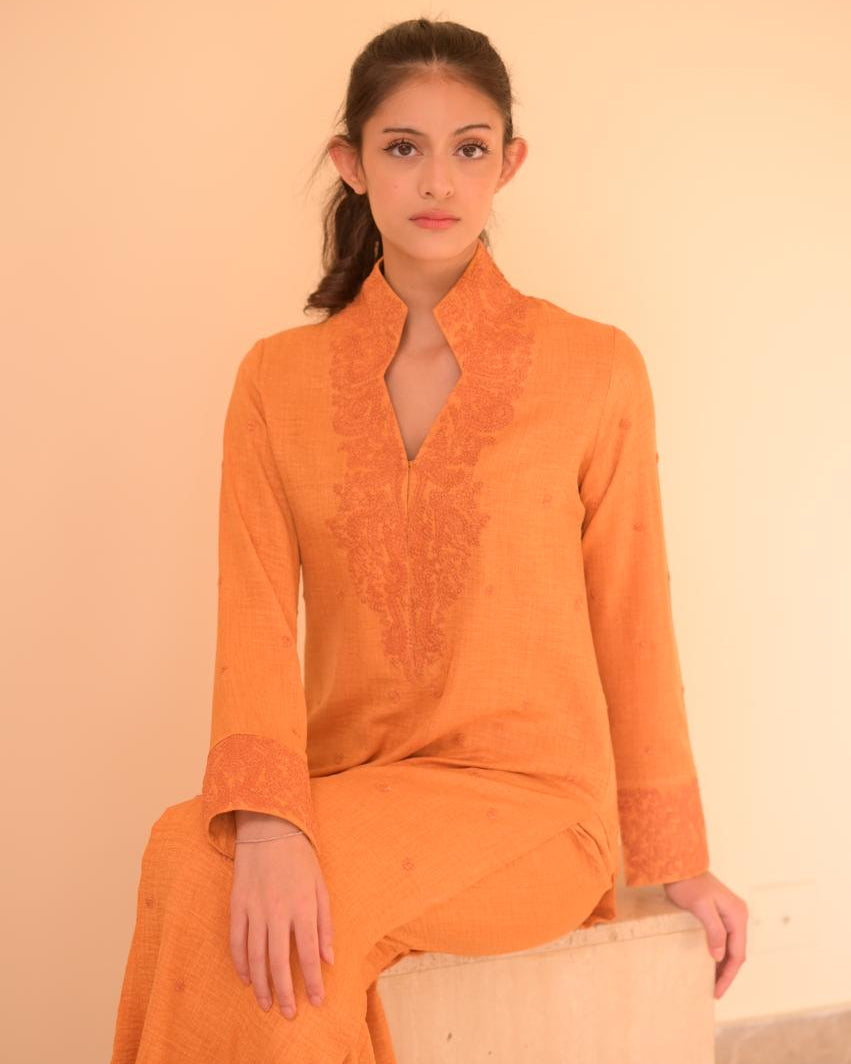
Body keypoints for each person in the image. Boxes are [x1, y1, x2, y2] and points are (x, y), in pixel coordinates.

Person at [109, 16, 748, 1064]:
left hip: (534, 806)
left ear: (509, 163)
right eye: (402, 146)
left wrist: (674, 856)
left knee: (293, 909)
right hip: (348, 782)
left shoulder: (592, 369)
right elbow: (256, 613)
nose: (436, 179)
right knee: (193, 846)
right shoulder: (277, 381)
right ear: (350, 164)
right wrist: (269, 820)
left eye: (468, 146)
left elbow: (633, 616)